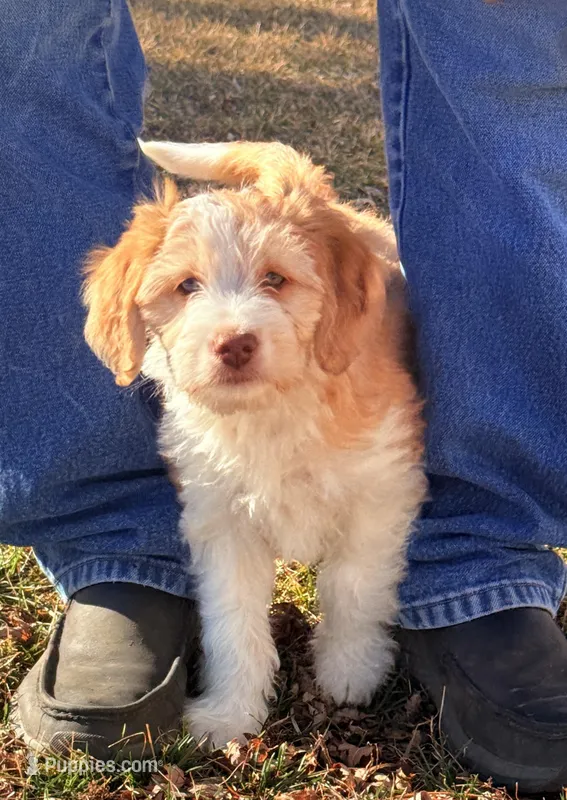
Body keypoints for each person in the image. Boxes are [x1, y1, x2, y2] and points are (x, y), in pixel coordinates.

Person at [1, 0, 566, 790]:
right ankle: (115, 548)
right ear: (133, 313)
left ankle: (482, 555)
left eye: (274, 282)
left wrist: (350, 639)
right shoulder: (188, 404)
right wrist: (237, 695)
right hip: (223, 439)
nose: (231, 324)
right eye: (184, 289)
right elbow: (223, 531)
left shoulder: (350, 331)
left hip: (349, 414)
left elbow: (378, 500)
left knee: (507, 35)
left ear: (330, 301)